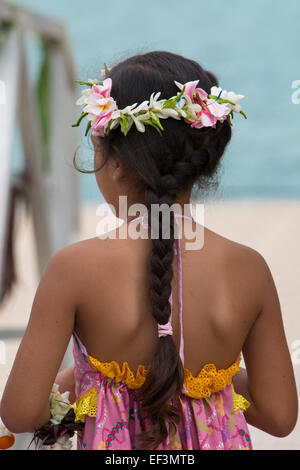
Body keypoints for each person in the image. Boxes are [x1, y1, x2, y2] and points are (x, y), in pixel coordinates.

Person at [0, 50, 297, 451]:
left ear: (118, 163)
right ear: (201, 159)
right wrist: (207, 375)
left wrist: (93, 381)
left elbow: (20, 412)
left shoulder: (73, 268)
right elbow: (279, 416)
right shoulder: (249, 268)